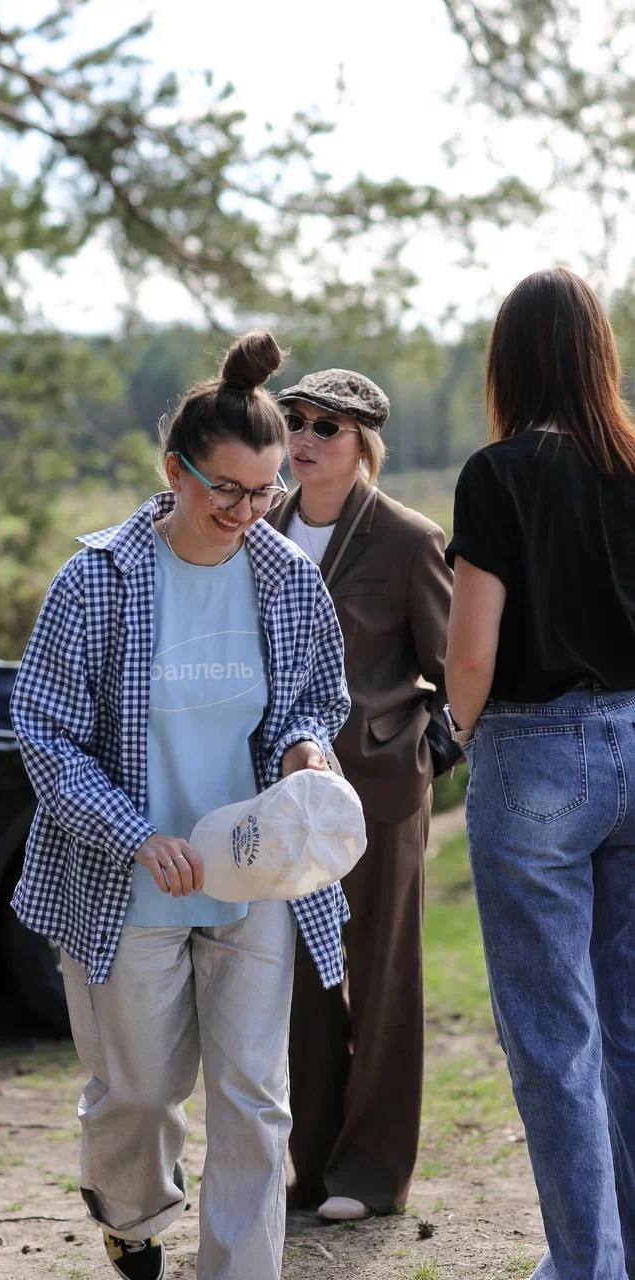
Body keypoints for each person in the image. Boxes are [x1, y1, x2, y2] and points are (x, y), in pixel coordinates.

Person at [10, 331, 351, 1280]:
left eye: (266, 491)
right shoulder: (98, 581)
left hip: (252, 880)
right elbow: (42, 731)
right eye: (226, 490)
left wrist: (304, 744)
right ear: (175, 470)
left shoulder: (286, 577)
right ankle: (130, 1213)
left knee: (252, 1097)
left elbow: (319, 695)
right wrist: (135, 835)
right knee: (139, 1094)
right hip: (131, 885)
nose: (247, 512)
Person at [444, 266, 635, 1280]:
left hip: (534, 758)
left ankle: (584, 1266)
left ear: (508, 361)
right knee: (629, 1024)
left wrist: (445, 734)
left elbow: (471, 651)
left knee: (552, 1035)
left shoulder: (496, 473)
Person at [267, 367, 457, 1221]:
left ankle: (370, 1176)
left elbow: (456, 669)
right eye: (294, 420)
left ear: (362, 446)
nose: (303, 438)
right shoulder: (257, 525)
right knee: (300, 979)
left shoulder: (408, 538)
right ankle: (311, 1171)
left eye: (325, 428)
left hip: (378, 786)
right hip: (281, 796)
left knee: (380, 979)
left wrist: (422, 751)